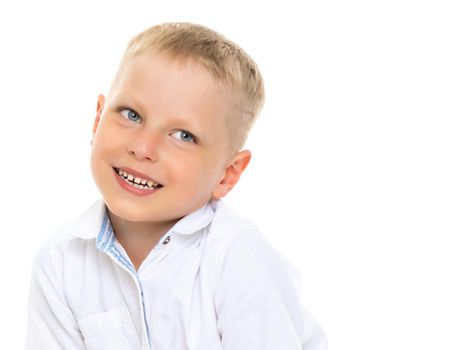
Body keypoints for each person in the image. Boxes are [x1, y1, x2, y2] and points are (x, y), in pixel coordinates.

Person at [25, 22, 327, 350]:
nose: (143, 148)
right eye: (131, 114)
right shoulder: (60, 261)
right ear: (98, 119)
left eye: (183, 136)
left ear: (228, 174)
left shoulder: (237, 259)